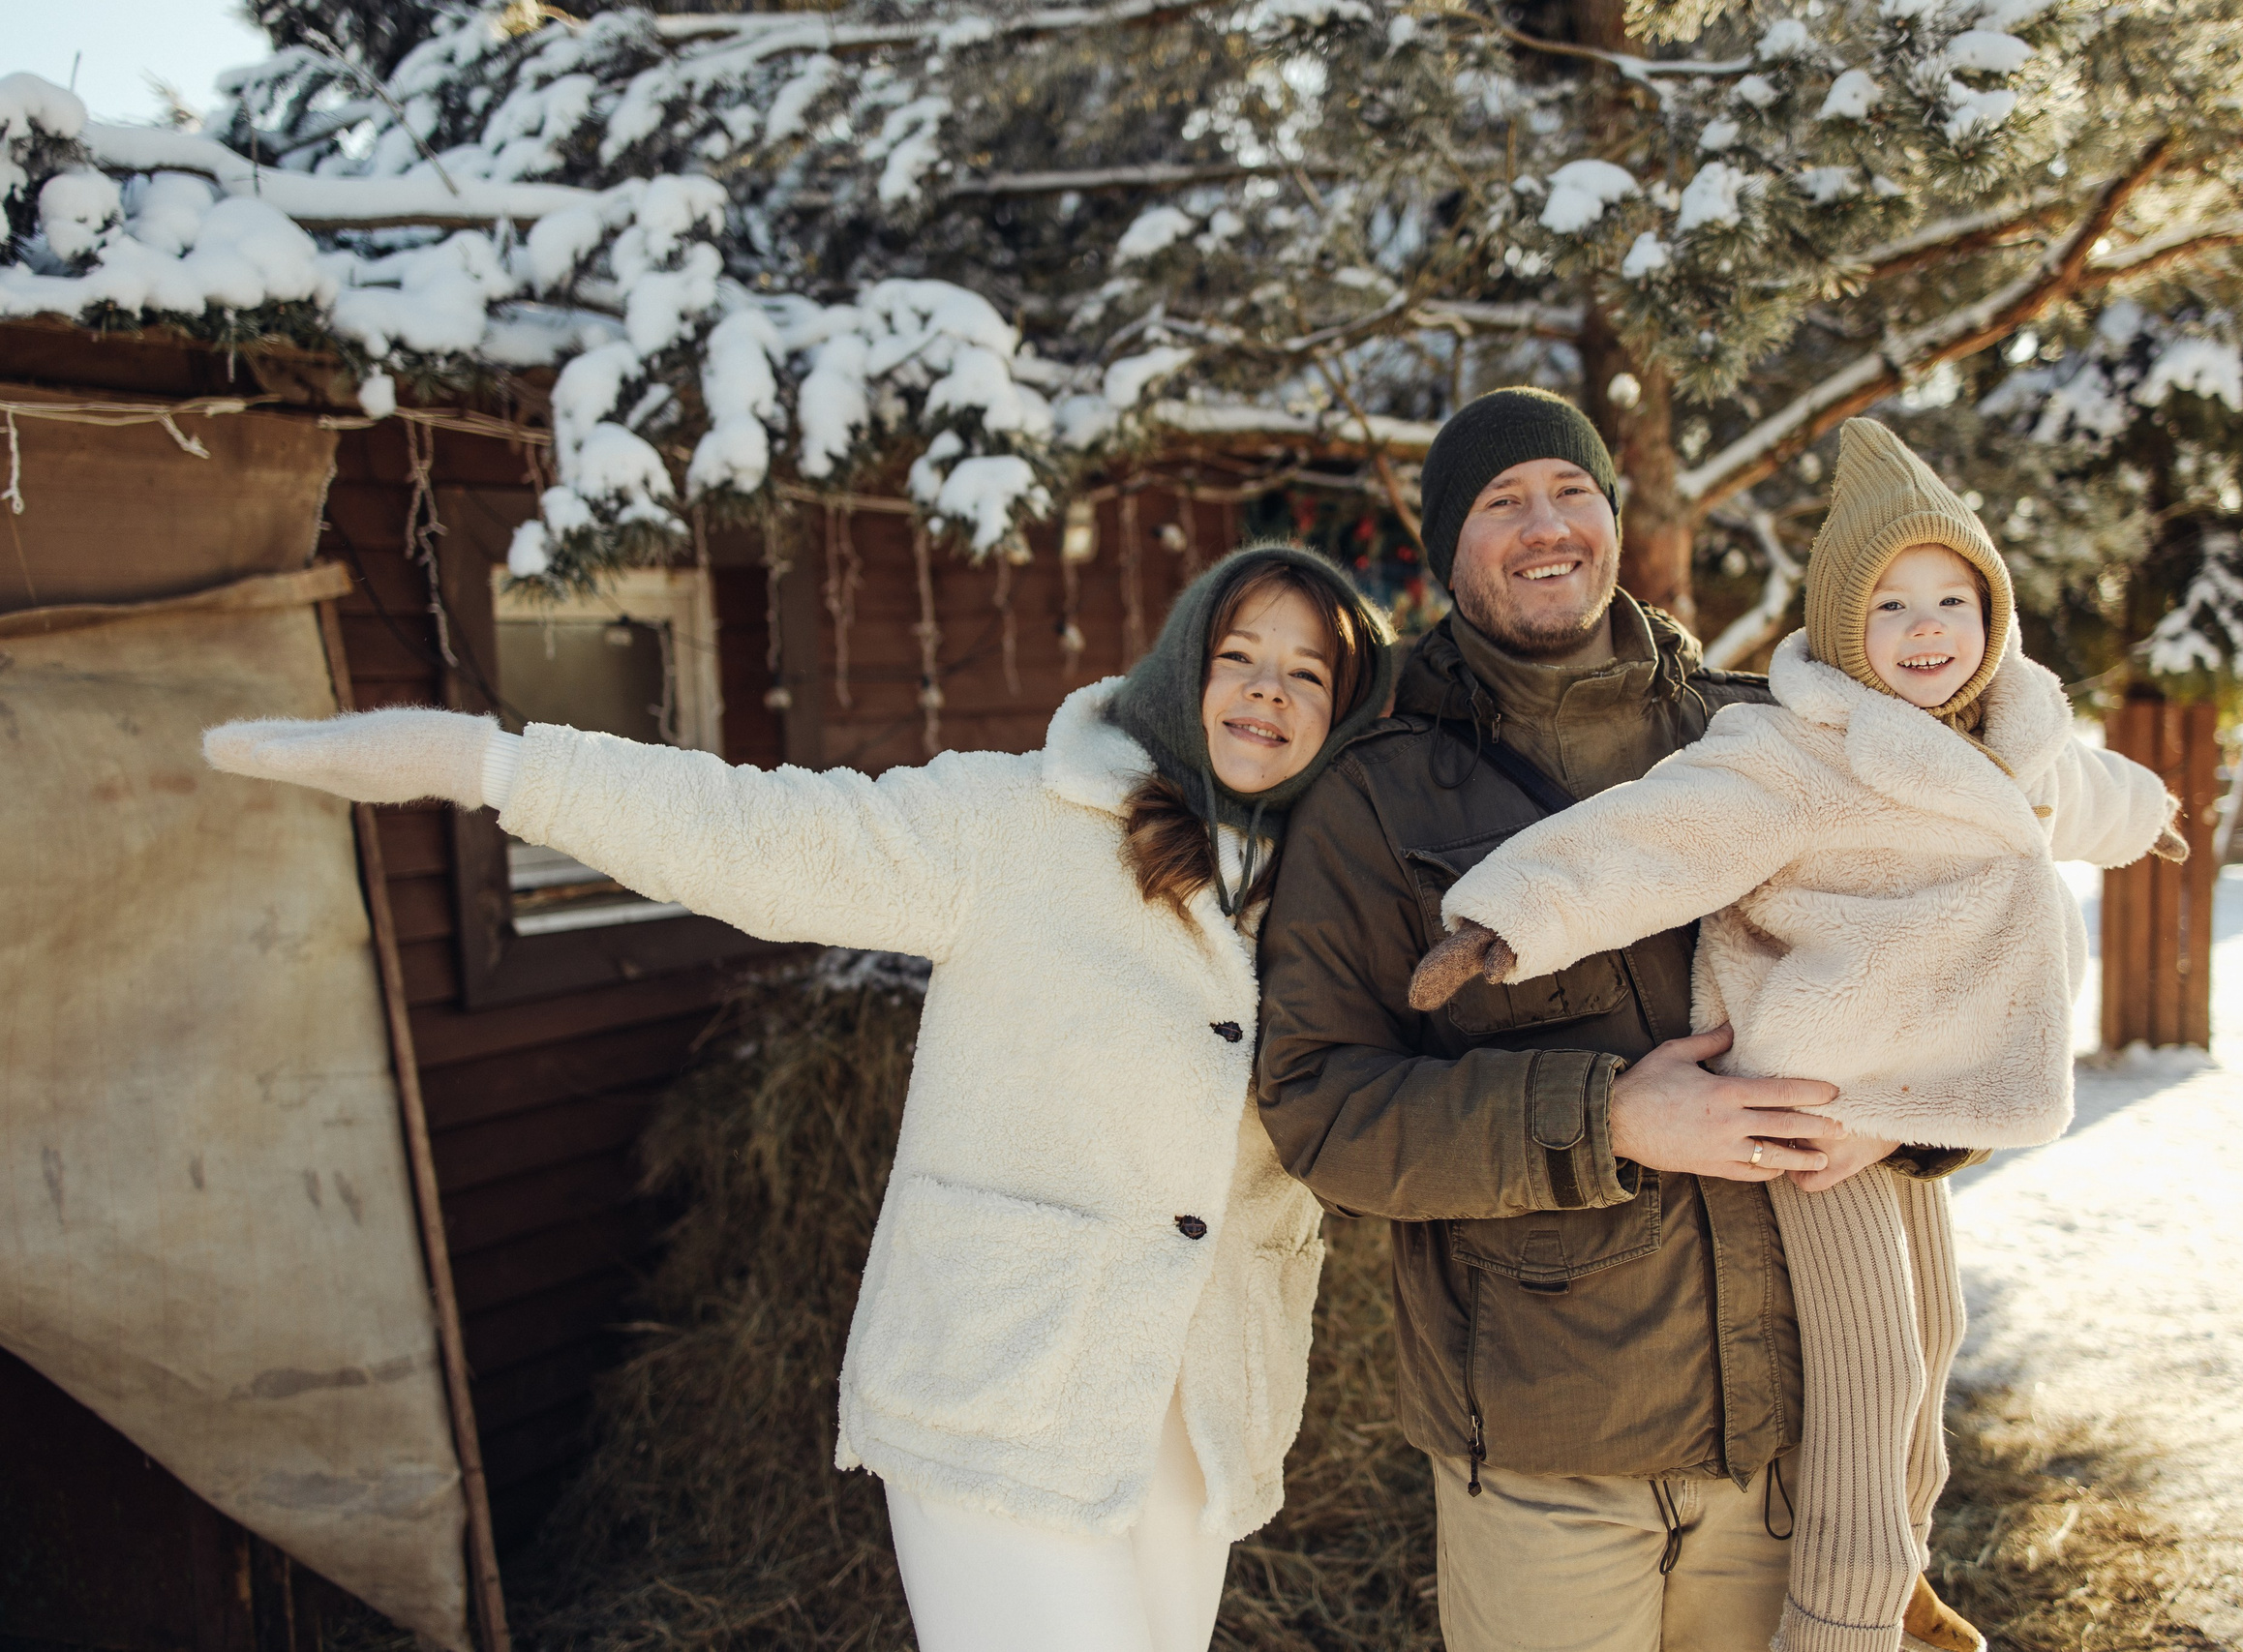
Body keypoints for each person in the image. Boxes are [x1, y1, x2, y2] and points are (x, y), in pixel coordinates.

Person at [200, 544, 1396, 1652]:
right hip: (1007, 1385)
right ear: (1181, 668)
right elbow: (766, 835)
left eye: (1307, 673)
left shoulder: (1336, 893)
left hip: (1201, 1418)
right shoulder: (1016, 823)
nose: (1267, 691)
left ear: (1343, 715)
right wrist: (495, 766)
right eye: (1238, 655)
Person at [1410, 418, 2187, 1652]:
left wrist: (2148, 816)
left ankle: (1903, 1567)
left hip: (1909, 1103)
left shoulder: (2009, 729)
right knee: (1871, 1368)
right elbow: (1653, 839)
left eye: (1952, 600)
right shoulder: (1794, 751)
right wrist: (1507, 922)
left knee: (1933, 1338)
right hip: (1801, 1101)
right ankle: (1843, 1618)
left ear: (1993, 620)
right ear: (1838, 630)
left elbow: (2080, 789)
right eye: (1889, 606)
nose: (1926, 628)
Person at [1253, 389, 1985, 1652]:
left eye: (1572, 491)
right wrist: (1609, 1120)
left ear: (1612, 514)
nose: (1546, 524)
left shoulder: (1772, 732)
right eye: (1502, 501)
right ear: (1447, 548)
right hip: (1545, 1460)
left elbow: (1959, 974)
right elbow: (1322, 1107)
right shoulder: (1375, 795)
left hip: (1789, 1448)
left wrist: (1903, 1122)